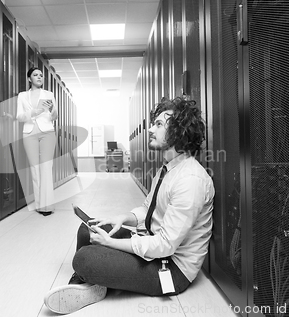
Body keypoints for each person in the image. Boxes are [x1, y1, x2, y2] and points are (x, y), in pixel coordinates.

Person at [43, 97, 214, 314]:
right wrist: (122, 218)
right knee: (88, 229)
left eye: (159, 125)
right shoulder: (168, 169)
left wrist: (111, 244)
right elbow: (147, 209)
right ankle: (91, 282)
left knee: (84, 258)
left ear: (179, 132)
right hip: (151, 245)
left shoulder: (190, 180)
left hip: (171, 268)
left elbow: (165, 246)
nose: (151, 129)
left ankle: (87, 281)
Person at [16, 67, 58, 216]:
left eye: (41, 75)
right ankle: (40, 205)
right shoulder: (22, 96)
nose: (39, 77)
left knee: (46, 167)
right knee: (35, 169)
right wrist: (35, 111)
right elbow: (20, 117)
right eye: (36, 75)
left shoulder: (49, 94)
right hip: (29, 133)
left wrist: (52, 109)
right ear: (29, 79)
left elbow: (54, 117)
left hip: (47, 132)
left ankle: (47, 206)